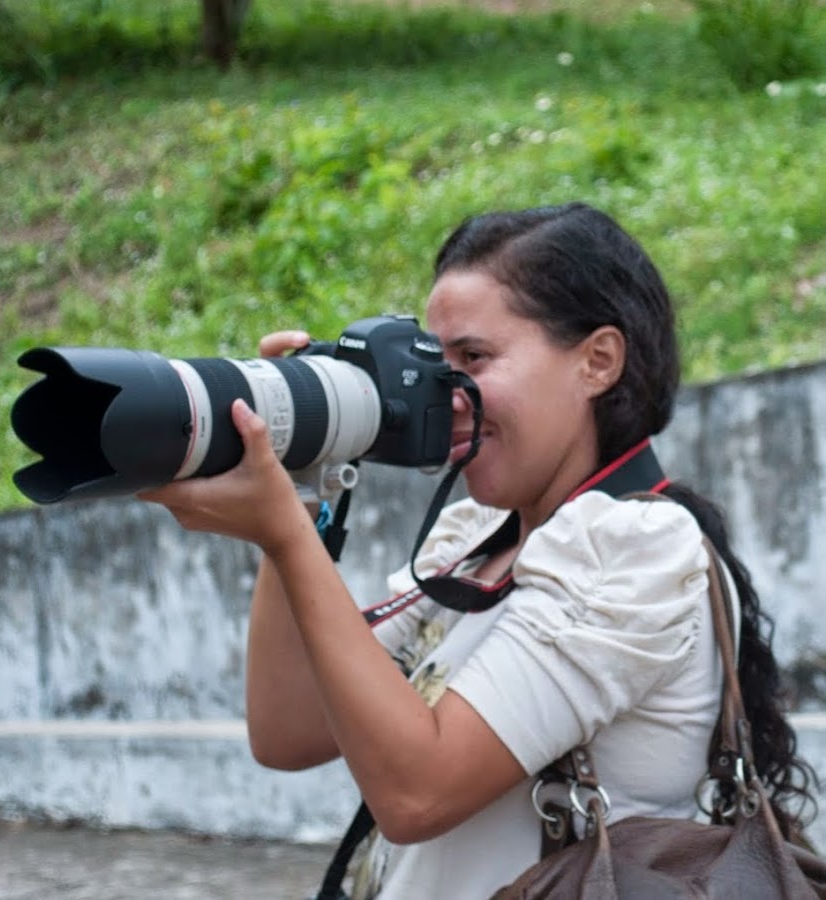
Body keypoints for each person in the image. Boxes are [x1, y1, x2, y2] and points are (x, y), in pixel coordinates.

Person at [140, 201, 817, 898]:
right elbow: (288, 732)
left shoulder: (635, 550)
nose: (449, 395)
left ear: (598, 361)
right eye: (438, 363)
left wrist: (285, 531)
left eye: (474, 358)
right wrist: (298, 496)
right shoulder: (470, 544)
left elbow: (416, 793)